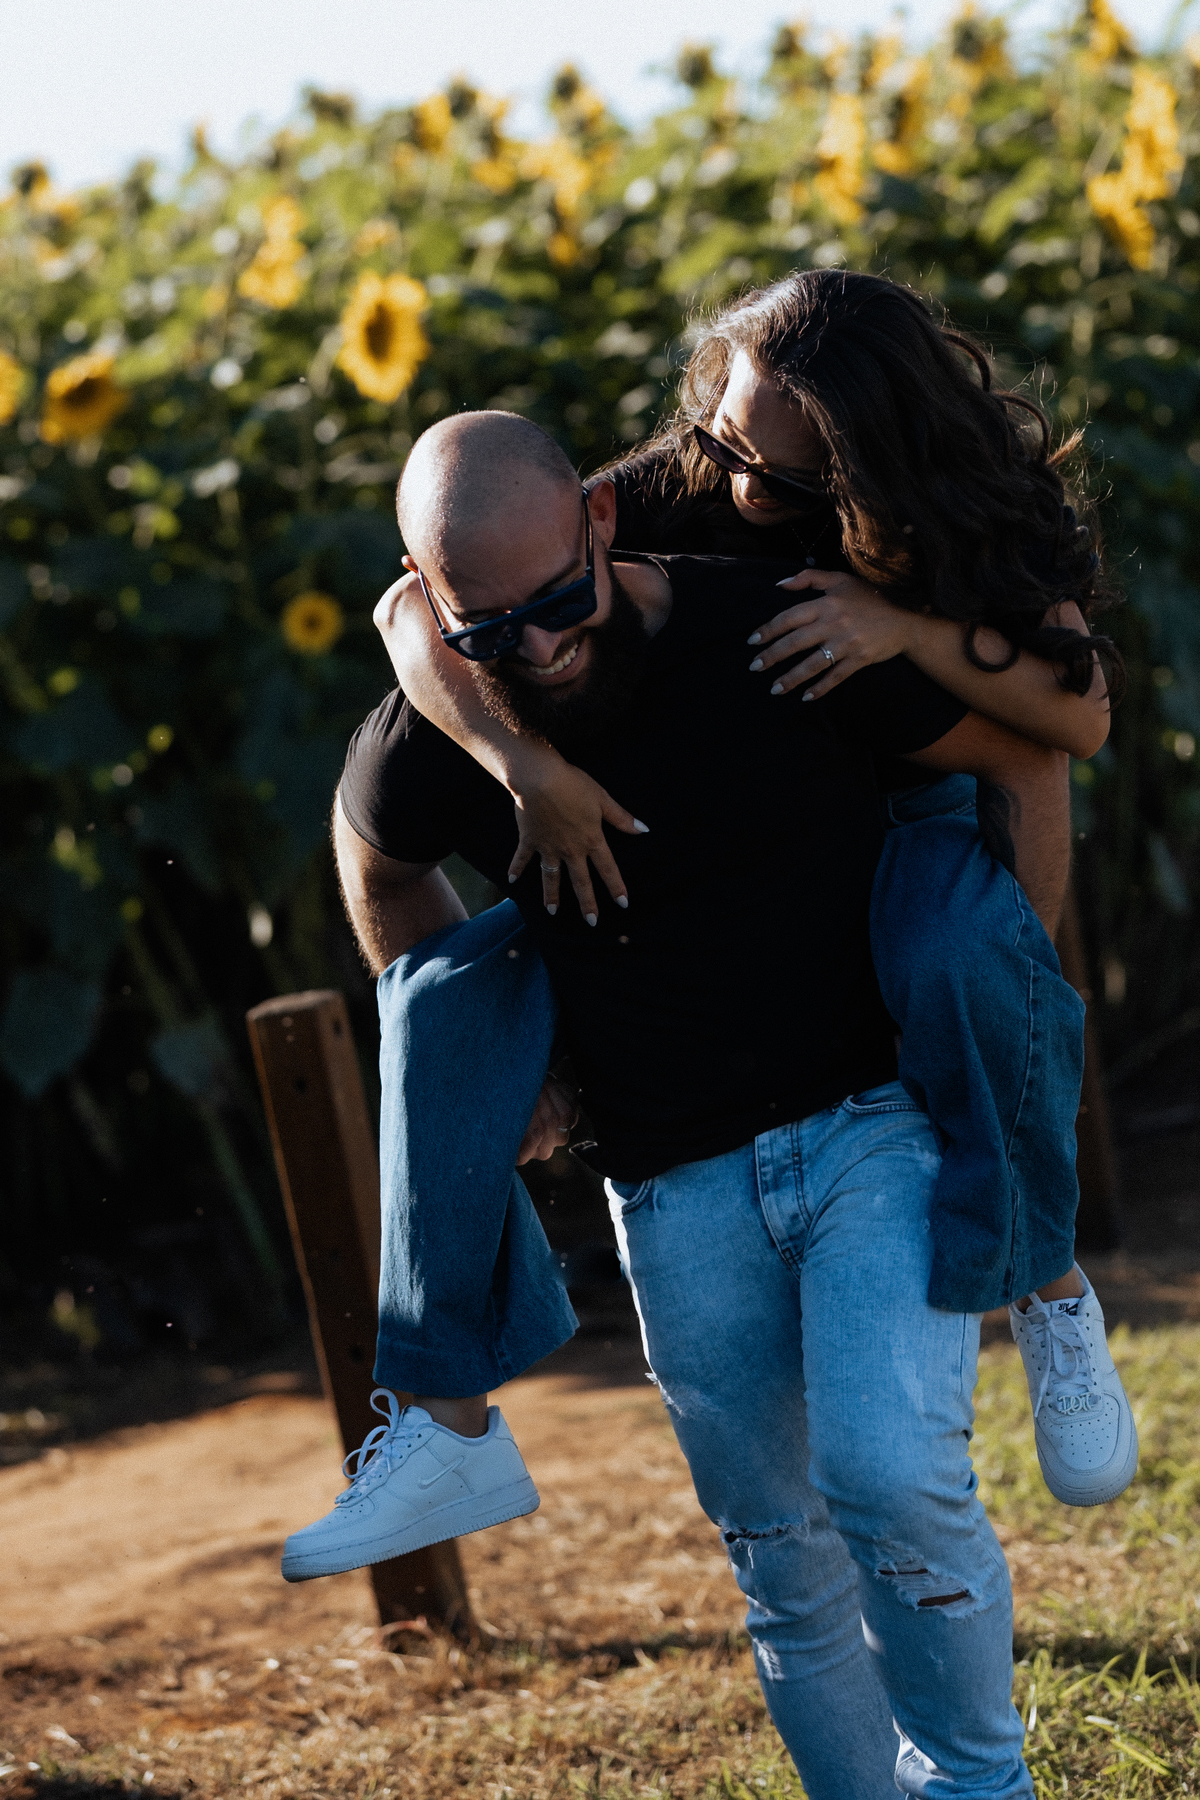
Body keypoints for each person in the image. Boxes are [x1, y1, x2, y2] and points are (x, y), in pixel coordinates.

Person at [290, 405, 1090, 1799]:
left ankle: (980, 1782)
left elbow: (1027, 756)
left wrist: (1002, 1025)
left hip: (873, 1124)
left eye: (556, 605)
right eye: (486, 627)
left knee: (889, 1475)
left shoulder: (771, 633)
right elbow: (372, 857)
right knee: (780, 1554)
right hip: (668, 1183)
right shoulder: (459, 718)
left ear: (602, 522)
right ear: (429, 606)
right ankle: (448, 1414)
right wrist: (513, 1052)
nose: (535, 647)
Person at [365, 271, 1136, 1509]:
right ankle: (439, 1418)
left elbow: (1068, 729)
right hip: (766, 820)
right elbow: (416, 619)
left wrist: (906, 633)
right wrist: (527, 766)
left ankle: (1048, 1288)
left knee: (965, 961)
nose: (740, 491)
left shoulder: (966, 512)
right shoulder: (682, 478)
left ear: (876, 468)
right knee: (448, 999)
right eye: (726, 442)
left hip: (929, 789)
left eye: (785, 485)